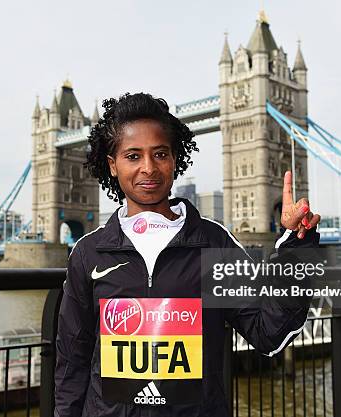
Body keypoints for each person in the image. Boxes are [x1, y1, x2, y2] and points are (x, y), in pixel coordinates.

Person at [54, 93, 321, 417]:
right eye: (133, 156)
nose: (148, 168)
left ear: (174, 159)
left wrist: (296, 244)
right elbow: (72, 364)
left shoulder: (213, 243)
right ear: (113, 165)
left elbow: (270, 331)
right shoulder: (88, 253)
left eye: (160, 154)